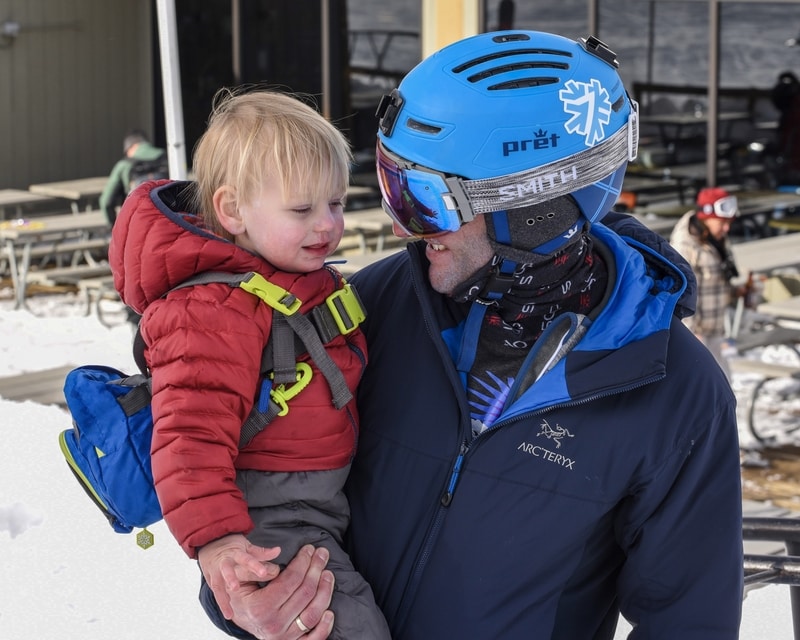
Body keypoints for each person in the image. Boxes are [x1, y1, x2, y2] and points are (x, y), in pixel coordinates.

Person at [198, 32, 744, 639]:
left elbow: (690, 624)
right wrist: (247, 596)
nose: (408, 228)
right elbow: (272, 492)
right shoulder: (367, 311)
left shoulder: (674, 392)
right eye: (393, 188)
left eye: (426, 200)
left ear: (536, 213)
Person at [108, 89, 390, 639]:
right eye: (302, 210)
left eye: (335, 203)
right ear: (232, 210)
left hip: (319, 497)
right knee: (347, 627)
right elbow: (188, 433)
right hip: (265, 520)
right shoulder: (212, 310)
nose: (327, 225)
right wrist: (217, 542)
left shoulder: (292, 280)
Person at [670, 186, 741, 378]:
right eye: (722, 223)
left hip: (715, 329)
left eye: (729, 223)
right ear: (706, 217)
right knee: (706, 386)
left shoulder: (716, 240)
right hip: (695, 334)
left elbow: (715, 280)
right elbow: (683, 292)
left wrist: (736, 292)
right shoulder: (685, 246)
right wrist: (691, 334)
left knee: (724, 385)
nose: (726, 228)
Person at [99, 129, 167, 226]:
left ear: (132, 147)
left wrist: (113, 227)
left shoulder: (124, 164)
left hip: (138, 223)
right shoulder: (171, 156)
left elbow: (106, 202)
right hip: (169, 220)